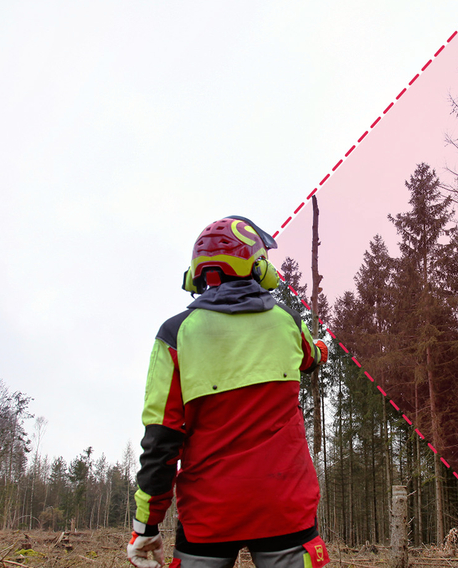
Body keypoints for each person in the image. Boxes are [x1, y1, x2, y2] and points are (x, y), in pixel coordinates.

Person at [127, 216, 329, 568]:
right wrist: (323, 349)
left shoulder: (175, 334)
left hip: (209, 513)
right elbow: (312, 356)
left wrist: (147, 524)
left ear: (198, 274)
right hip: (285, 504)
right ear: (258, 266)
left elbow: (160, 439)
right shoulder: (287, 321)